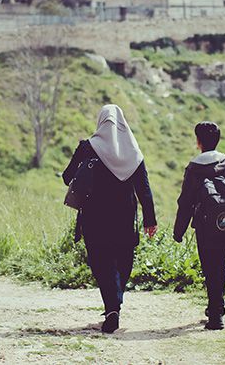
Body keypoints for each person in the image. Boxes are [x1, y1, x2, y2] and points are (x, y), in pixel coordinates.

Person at [62, 104, 157, 334]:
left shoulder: (87, 147)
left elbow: (67, 177)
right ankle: (115, 304)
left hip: (95, 218)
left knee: (101, 262)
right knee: (123, 262)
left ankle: (111, 307)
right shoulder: (133, 153)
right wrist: (150, 220)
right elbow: (144, 189)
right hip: (124, 218)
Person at [173, 121, 225, 331]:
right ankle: (217, 309)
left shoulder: (193, 168)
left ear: (198, 142)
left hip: (204, 227)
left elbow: (186, 202)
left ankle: (216, 314)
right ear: (218, 140)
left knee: (210, 268)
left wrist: (179, 230)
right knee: (220, 265)